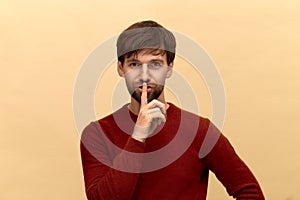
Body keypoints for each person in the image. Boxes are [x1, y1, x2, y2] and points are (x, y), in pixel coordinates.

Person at [80, 20, 265, 200]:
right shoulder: (97, 134)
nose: (145, 75)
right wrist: (138, 136)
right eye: (134, 64)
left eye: (155, 64)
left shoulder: (199, 131)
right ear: (121, 69)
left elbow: (251, 193)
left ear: (169, 68)